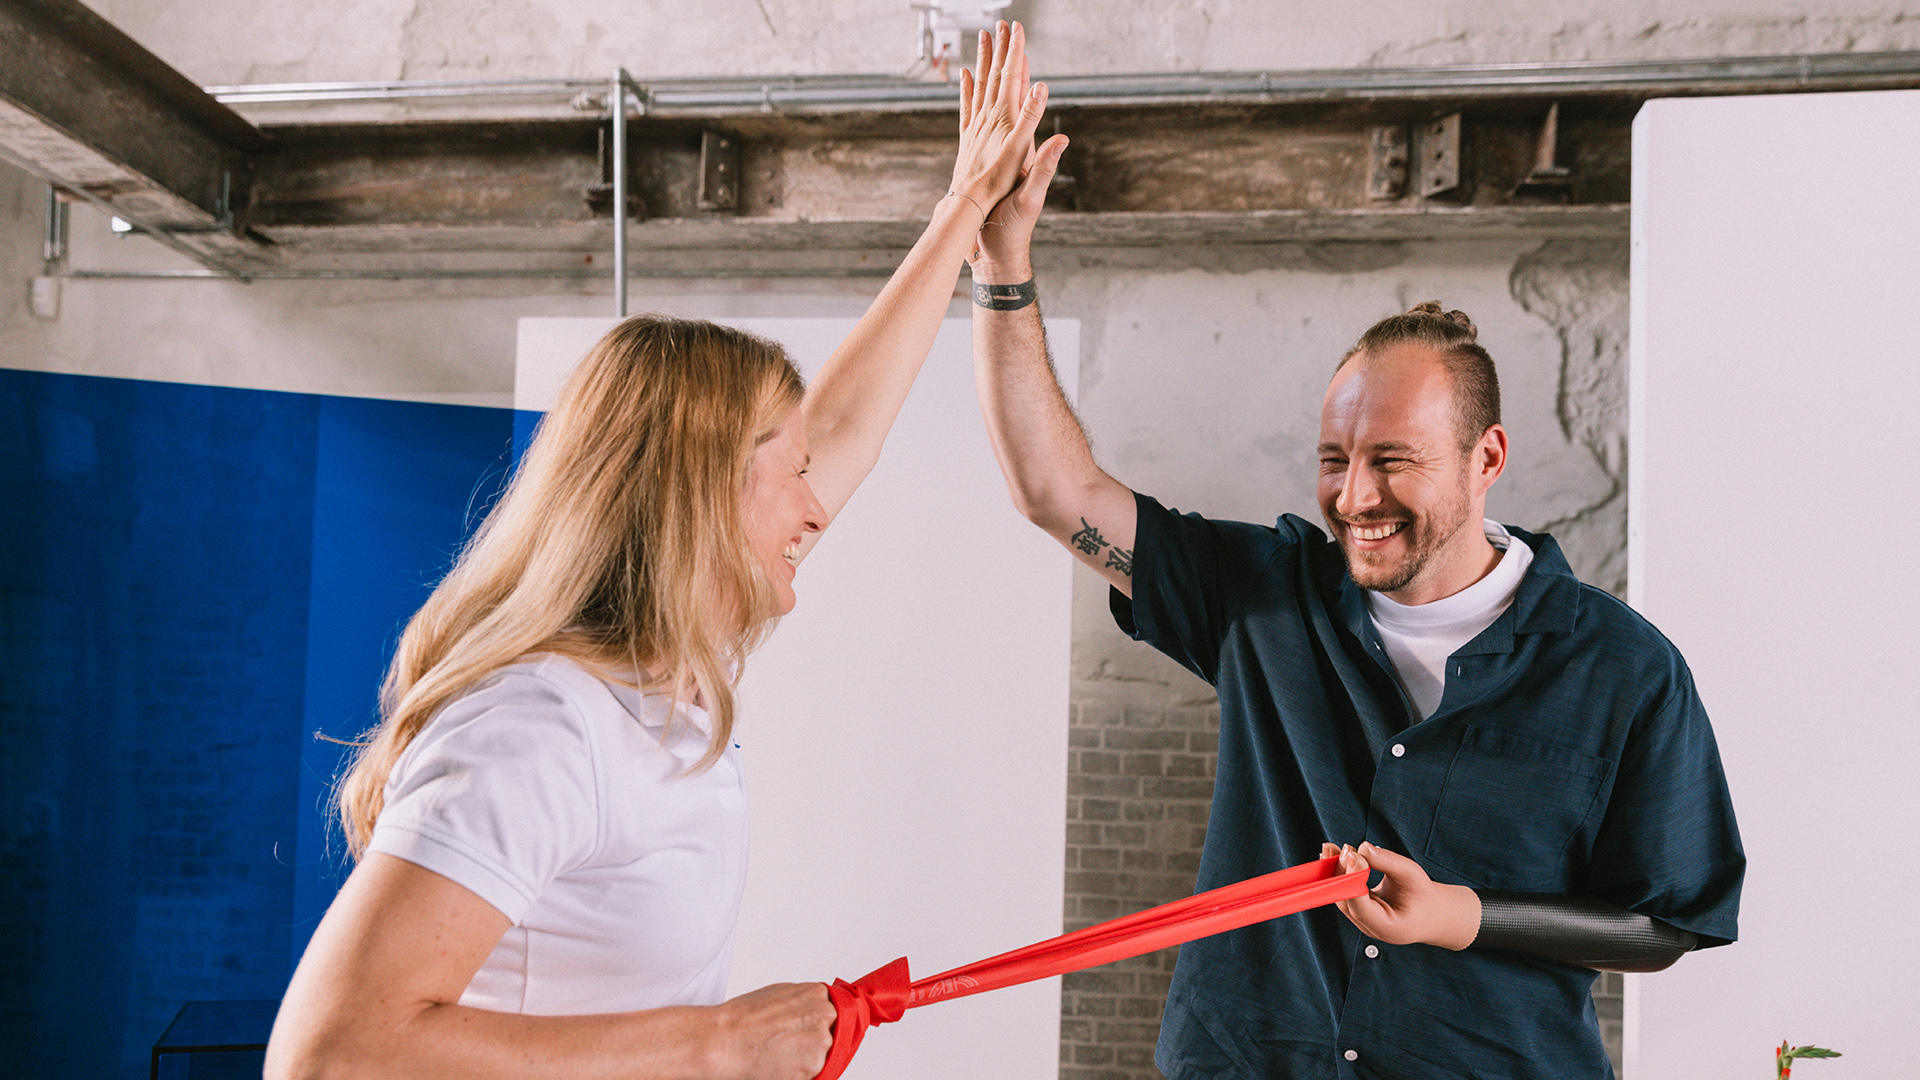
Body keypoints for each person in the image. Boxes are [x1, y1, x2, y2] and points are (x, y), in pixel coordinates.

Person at [263, 22, 1051, 1080]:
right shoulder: (542, 726)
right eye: (790, 470)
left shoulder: (658, 686)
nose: (819, 511)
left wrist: (966, 216)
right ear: (697, 492)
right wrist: (717, 1043)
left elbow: (853, 421)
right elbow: (330, 1053)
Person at [965, 148, 1743, 1078]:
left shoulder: (1625, 670)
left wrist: (1464, 916)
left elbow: (1666, 921)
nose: (1355, 495)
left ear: (1486, 457)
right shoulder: (1262, 595)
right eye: (1335, 458)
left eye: (1393, 458)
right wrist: (1001, 265)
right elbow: (1054, 492)